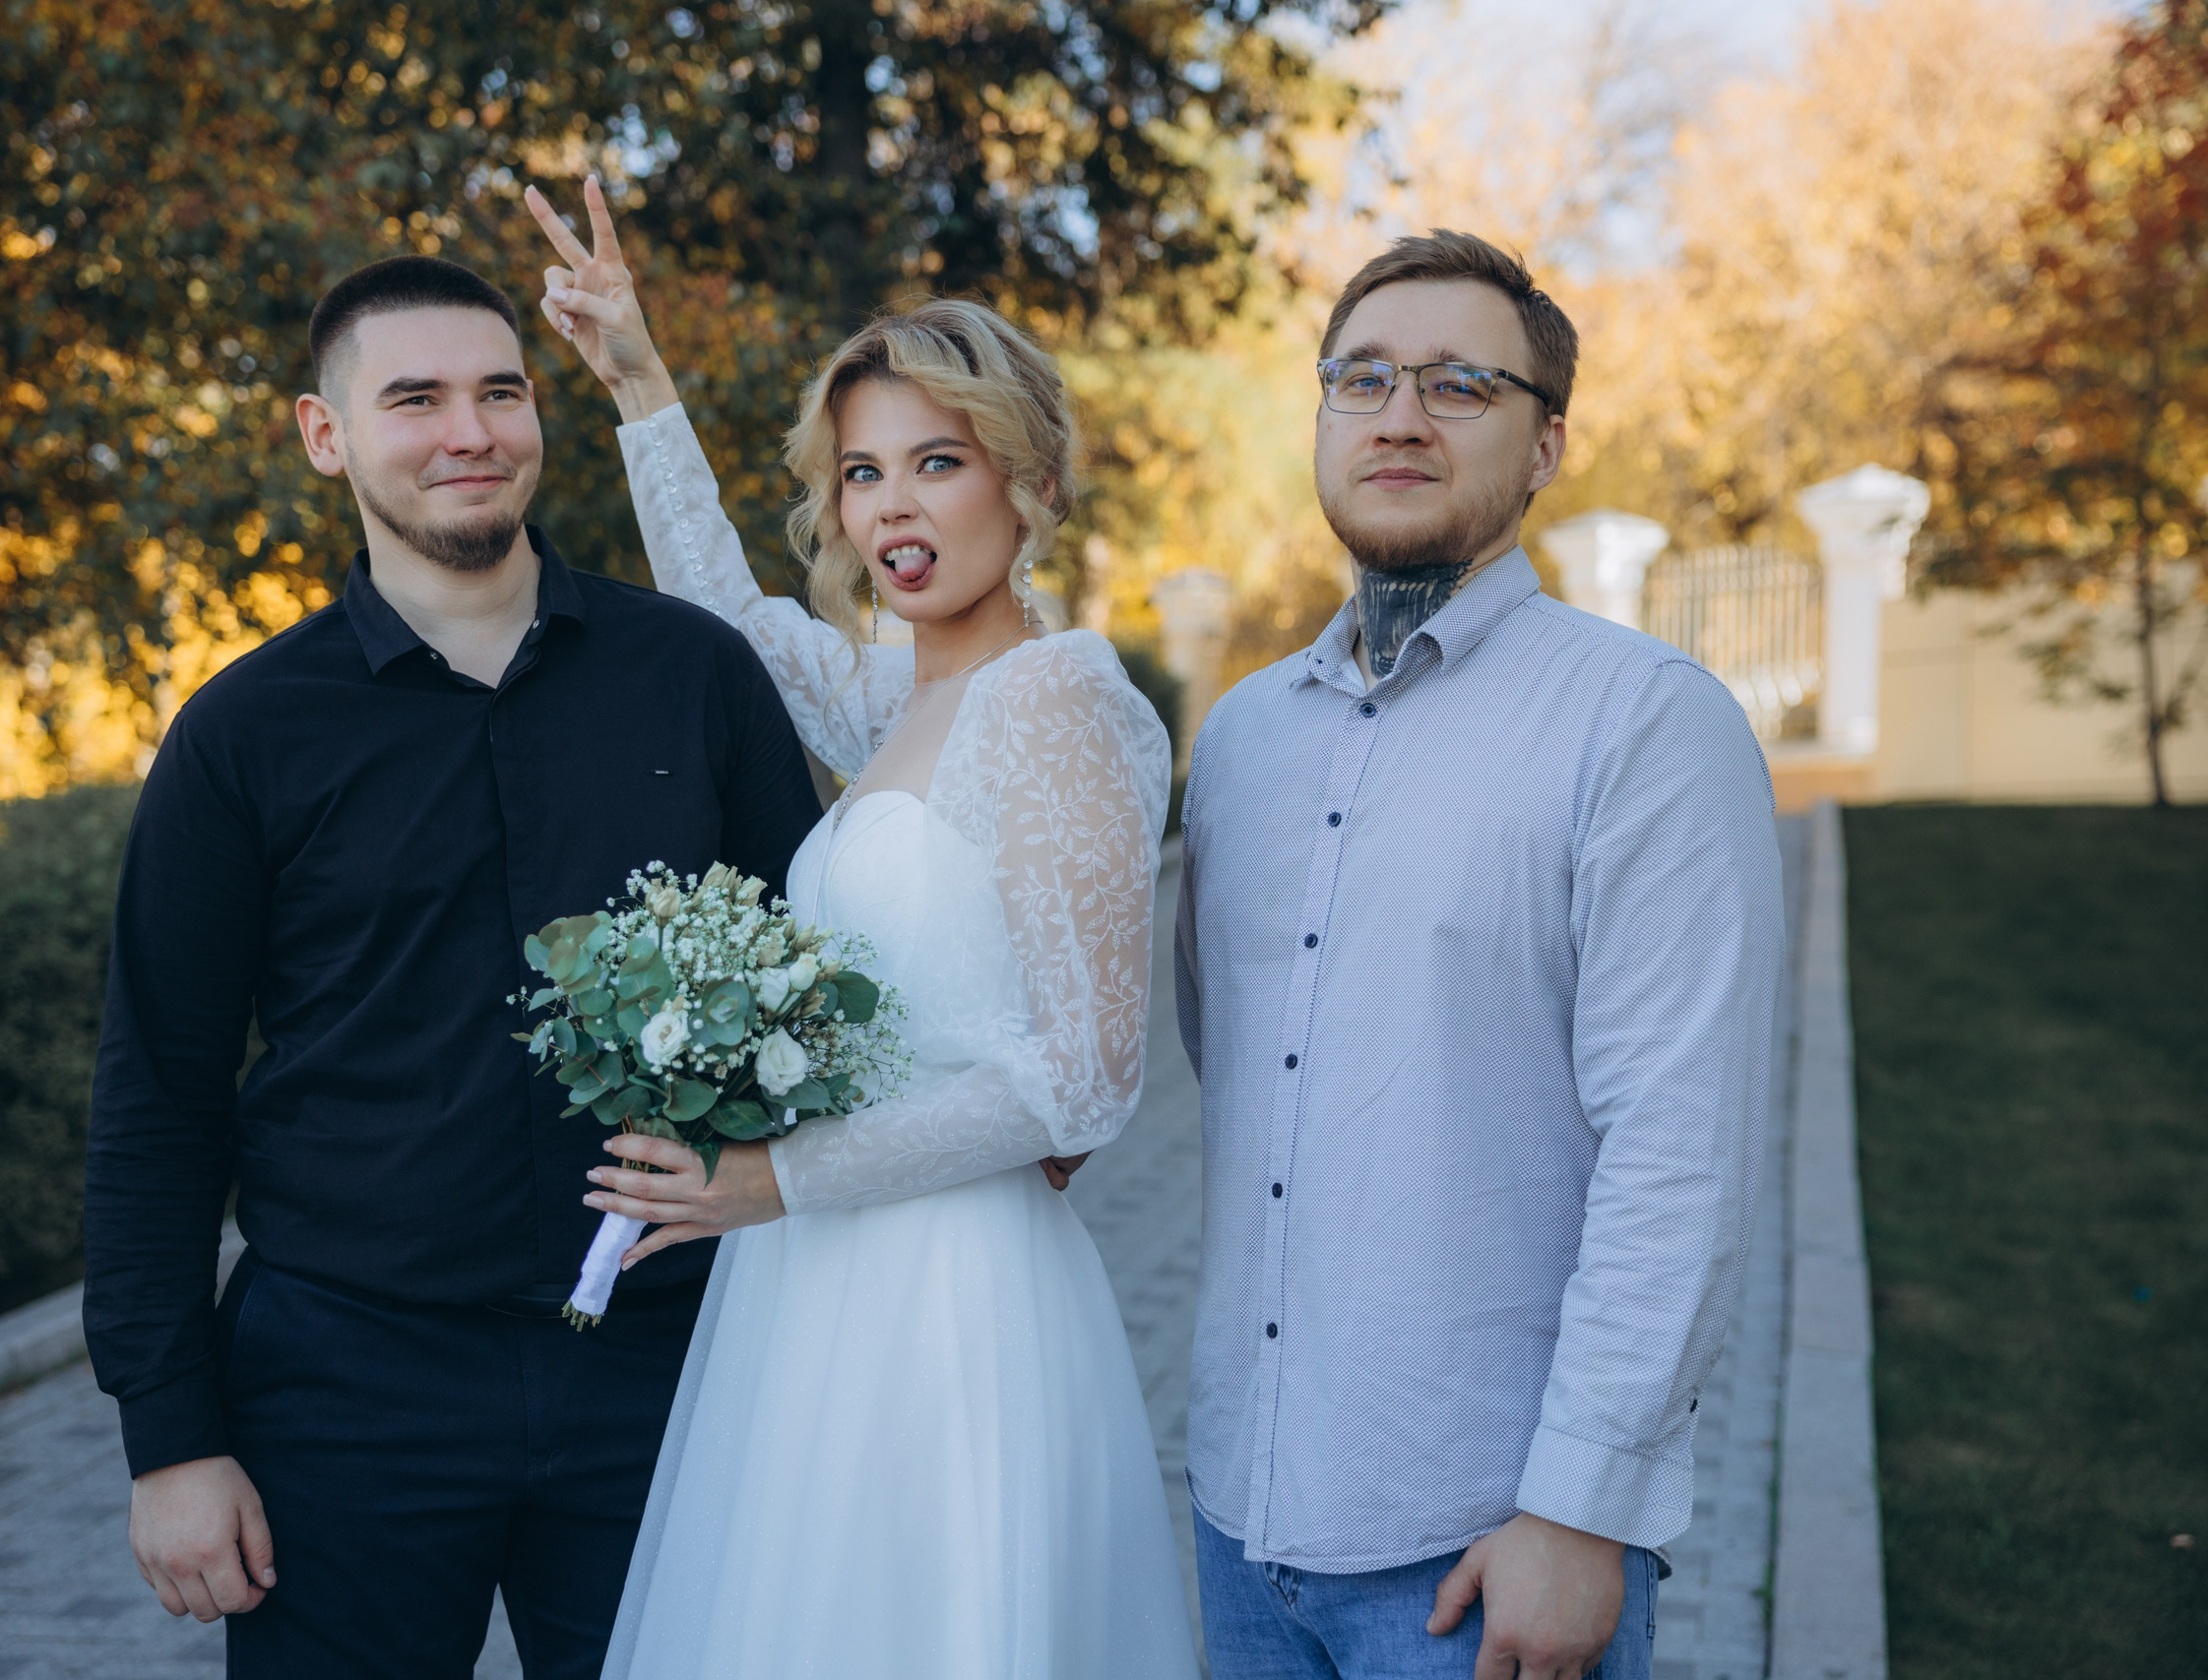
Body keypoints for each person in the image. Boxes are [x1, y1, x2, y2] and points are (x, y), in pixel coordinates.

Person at [84, 253, 823, 1676]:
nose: (469, 432)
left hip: (667, 1371)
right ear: (326, 434)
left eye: (501, 391)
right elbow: (159, 1093)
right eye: (414, 399)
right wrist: (170, 1438)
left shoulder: (693, 676)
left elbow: (811, 988)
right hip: (343, 1390)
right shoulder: (243, 733)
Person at [520, 177, 1198, 1680]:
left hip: (954, 1292)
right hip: (814, 1288)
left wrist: (774, 1179)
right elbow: (727, 622)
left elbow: (1088, 1080)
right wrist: (639, 383)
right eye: (863, 472)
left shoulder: (1061, 702)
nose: (891, 506)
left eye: (937, 462)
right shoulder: (903, 700)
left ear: (1029, 480)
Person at [1174, 232, 1785, 1680]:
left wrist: (1581, 1509)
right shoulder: (1242, 741)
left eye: (1459, 385)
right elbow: (1238, 1071)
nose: (1399, 416)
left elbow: (1677, 1149)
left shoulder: (1644, 722)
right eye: (1363, 378)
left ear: (1546, 444)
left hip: (1480, 1553)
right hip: (1240, 1517)